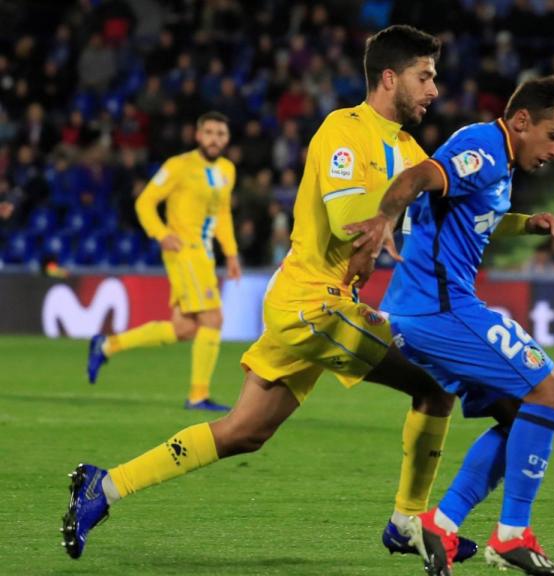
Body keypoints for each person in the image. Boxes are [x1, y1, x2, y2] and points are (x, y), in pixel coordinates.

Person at [62, 25, 477, 563]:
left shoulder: (407, 148)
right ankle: (406, 521)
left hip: (318, 304)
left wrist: (521, 222)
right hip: (313, 304)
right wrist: (395, 217)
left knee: (243, 432)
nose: (434, 91)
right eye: (425, 78)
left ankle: (105, 486)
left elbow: (447, 208)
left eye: (435, 79)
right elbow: (354, 221)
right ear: (390, 78)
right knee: (435, 385)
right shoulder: (342, 132)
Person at [344, 75, 554, 576]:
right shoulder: (484, 146)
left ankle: (443, 526)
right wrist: (384, 220)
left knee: (520, 413)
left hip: (431, 312)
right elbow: (416, 178)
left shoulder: (499, 160)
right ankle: (511, 535)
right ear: (521, 122)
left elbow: (471, 215)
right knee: (551, 392)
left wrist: (525, 222)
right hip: (440, 311)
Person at [87, 111, 241, 411]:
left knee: (184, 328)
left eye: (220, 134)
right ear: (197, 135)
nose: (214, 138)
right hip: (184, 250)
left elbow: (222, 214)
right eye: (208, 132)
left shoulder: (227, 169)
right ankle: (198, 395)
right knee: (213, 319)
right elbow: (144, 202)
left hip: (205, 254)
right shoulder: (179, 166)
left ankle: (107, 346)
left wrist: (232, 253)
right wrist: (160, 234)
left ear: (227, 139)